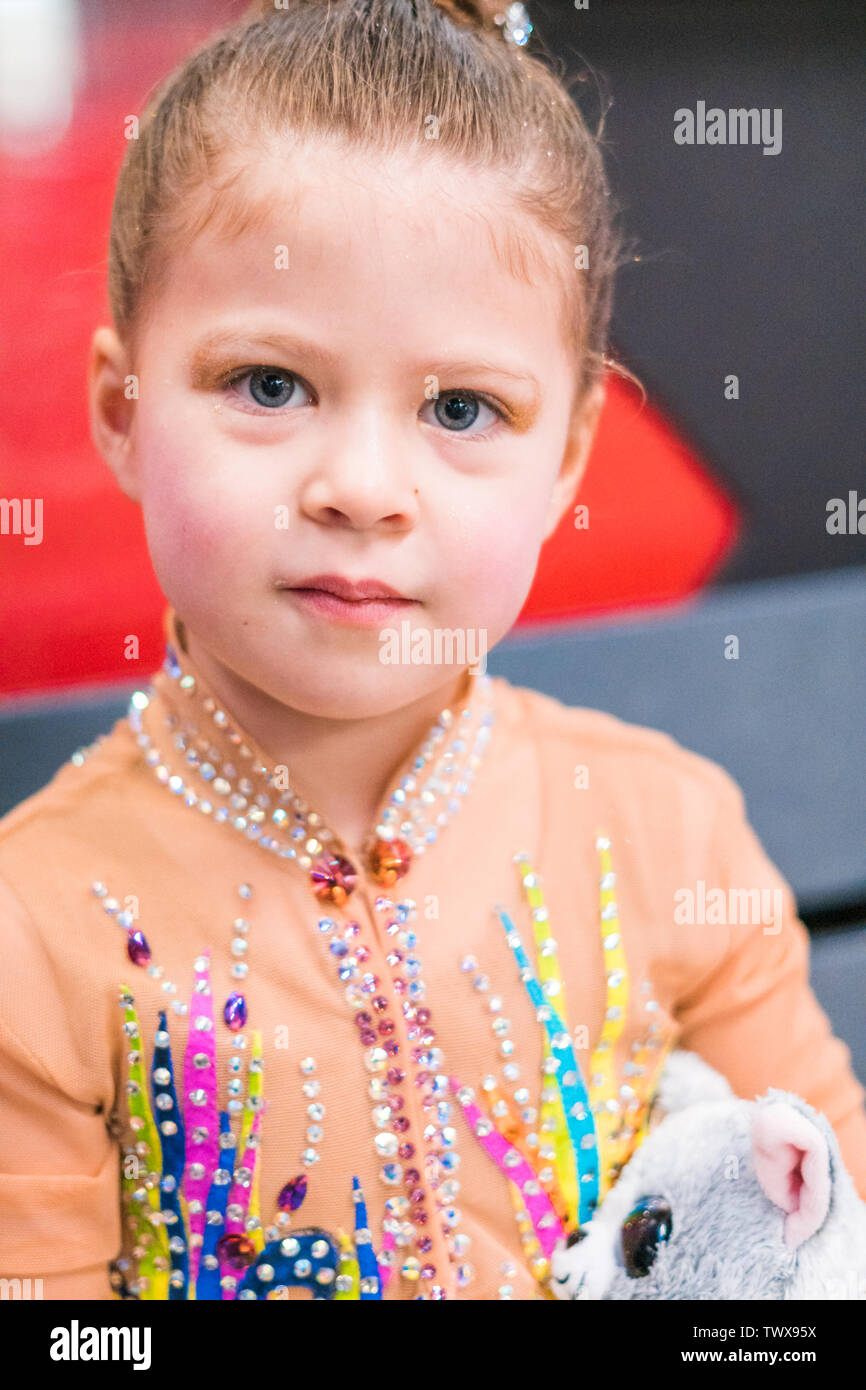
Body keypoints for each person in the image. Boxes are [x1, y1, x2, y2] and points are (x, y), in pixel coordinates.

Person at [1, 0, 863, 1303]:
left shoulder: (663, 832)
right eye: (269, 385)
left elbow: (827, 1237)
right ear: (123, 411)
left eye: (461, 407)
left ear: (564, 453)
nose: (361, 485)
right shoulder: (36, 931)